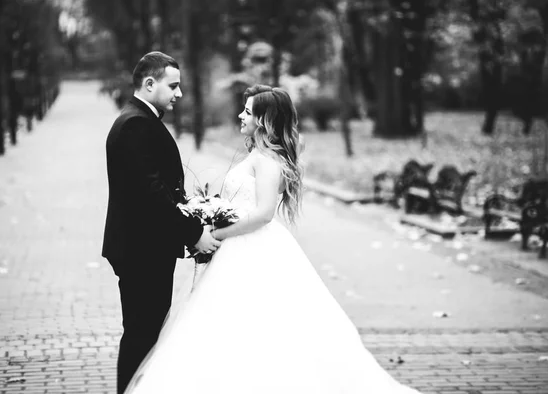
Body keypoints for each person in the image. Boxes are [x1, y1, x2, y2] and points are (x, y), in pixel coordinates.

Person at [125, 85, 421, 393]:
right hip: (238, 244)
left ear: (264, 121)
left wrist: (215, 233)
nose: (241, 115)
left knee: (253, 326)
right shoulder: (258, 154)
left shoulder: (266, 161)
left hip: (250, 246)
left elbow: (264, 214)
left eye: (248, 112)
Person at [101, 51, 221, 394]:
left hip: (145, 248)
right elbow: (151, 192)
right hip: (142, 252)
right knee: (142, 333)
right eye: (173, 85)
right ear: (149, 83)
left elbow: (158, 188)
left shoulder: (140, 119)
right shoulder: (135, 124)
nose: (179, 94)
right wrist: (194, 232)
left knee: (147, 331)